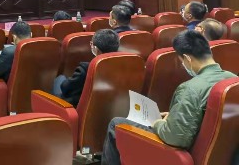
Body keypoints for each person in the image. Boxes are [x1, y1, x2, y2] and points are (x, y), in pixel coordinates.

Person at [101, 30, 236, 165]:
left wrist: (158, 123)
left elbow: (176, 138)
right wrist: (174, 116)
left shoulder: (190, 88)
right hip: (221, 153)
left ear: (187, 59)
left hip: (180, 156)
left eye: (181, 61)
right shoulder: (233, 79)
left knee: (116, 124)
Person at [52, 29, 120, 107]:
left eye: (91, 44)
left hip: (75, 106)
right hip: (107, 106)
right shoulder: (123, 66)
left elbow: (65, 88)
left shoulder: (85, 69)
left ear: (95, 48)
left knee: (59, 78)